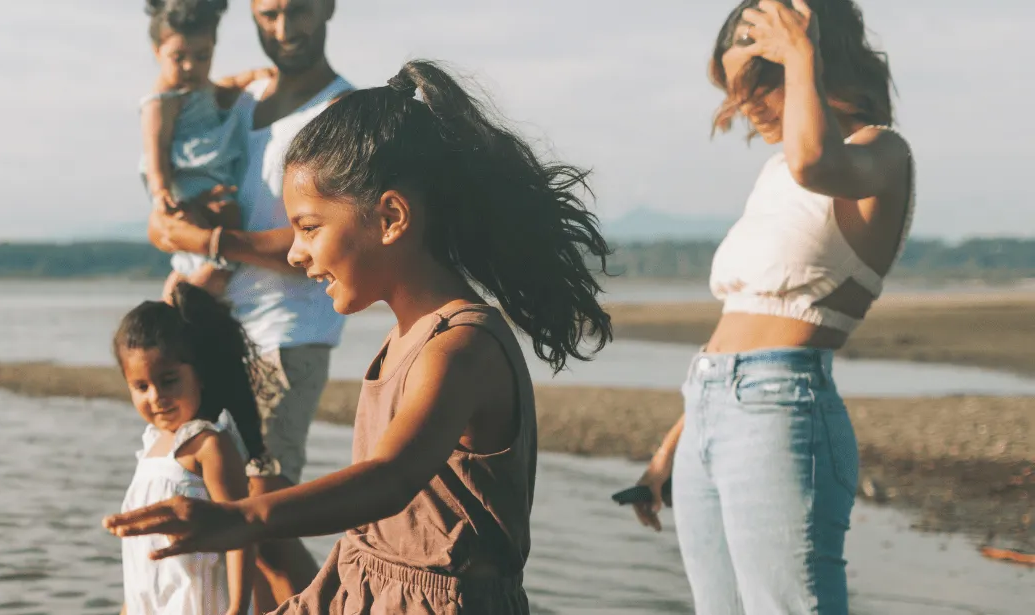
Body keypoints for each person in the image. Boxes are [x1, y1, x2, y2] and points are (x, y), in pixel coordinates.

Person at [111, 60, 614, 614]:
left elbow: (390, 480)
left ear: (392, 217)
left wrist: (242, 517)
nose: (296, 253)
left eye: (308, 227)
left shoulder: (461, 346)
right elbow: (370, 551)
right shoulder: (398, 345)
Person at [626, 1, 912, 613]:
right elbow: (737, 328)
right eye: (735, 89)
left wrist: (801, 50)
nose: (747, 105)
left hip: (781, 407)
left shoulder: (882, 154)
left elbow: (815, 159)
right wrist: (672, 447)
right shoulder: (774, 174)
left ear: (813, 57)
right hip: (709, 405)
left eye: (759, 82)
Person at [144, 0, 351, 603]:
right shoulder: (243, 98)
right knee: (222, 509)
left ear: (329, 7)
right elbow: (169, 110)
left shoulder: (341, 109)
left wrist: (211, 243)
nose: (285, 30)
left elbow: (327, 230)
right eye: (268, 13)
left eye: (299, 10)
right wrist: (168, 224)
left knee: (263, 518)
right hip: (217, 329)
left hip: (288, 332)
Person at [114, 282, 272, 614]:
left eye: (168, 380)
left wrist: (238, 608)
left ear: (199, 374)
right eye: (141, 387)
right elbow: (142, 556)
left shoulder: (209, 445)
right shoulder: (151, 447)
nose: (156, 397)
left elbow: (240, 532)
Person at [139, 0, 273, 297]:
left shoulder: (201, 88)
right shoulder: (160, 101)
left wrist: (253, 76)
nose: (191, 66)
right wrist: (161, 193)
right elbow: (155, 152)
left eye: (202, 56)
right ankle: (199, 284)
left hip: (211, 175)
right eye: (179, 57)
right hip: (184, 179)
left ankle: (190, 280)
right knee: (210, 226)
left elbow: (226, 85)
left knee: (224, 219)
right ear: (157, 51)